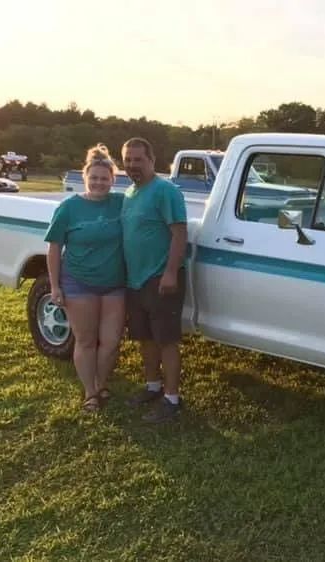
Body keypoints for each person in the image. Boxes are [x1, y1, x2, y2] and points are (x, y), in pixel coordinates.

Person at [45, 144, 126, 412]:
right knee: (86, 340)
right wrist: (55, 285)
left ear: (113, 179)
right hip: (78, 283)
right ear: (85, 178)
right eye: (94, 178)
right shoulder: (69, 208)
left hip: (114, 284)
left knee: (112, 341)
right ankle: (90, 392)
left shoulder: (121, 203)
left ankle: (101, 383)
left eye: (104, 178)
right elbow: (54, 247)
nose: (99, 183)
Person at [120, 137, 187, 422]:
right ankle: (152, 386)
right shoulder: (130, 193)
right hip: (135, 280)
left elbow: (179, 233)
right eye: (128, 160)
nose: (133, 165)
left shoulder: (165, 191)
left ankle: (172, 399)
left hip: (161, 278)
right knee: (145, 337)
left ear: (152, 160)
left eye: (138, 159)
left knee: (166, 340)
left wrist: (170, 272)